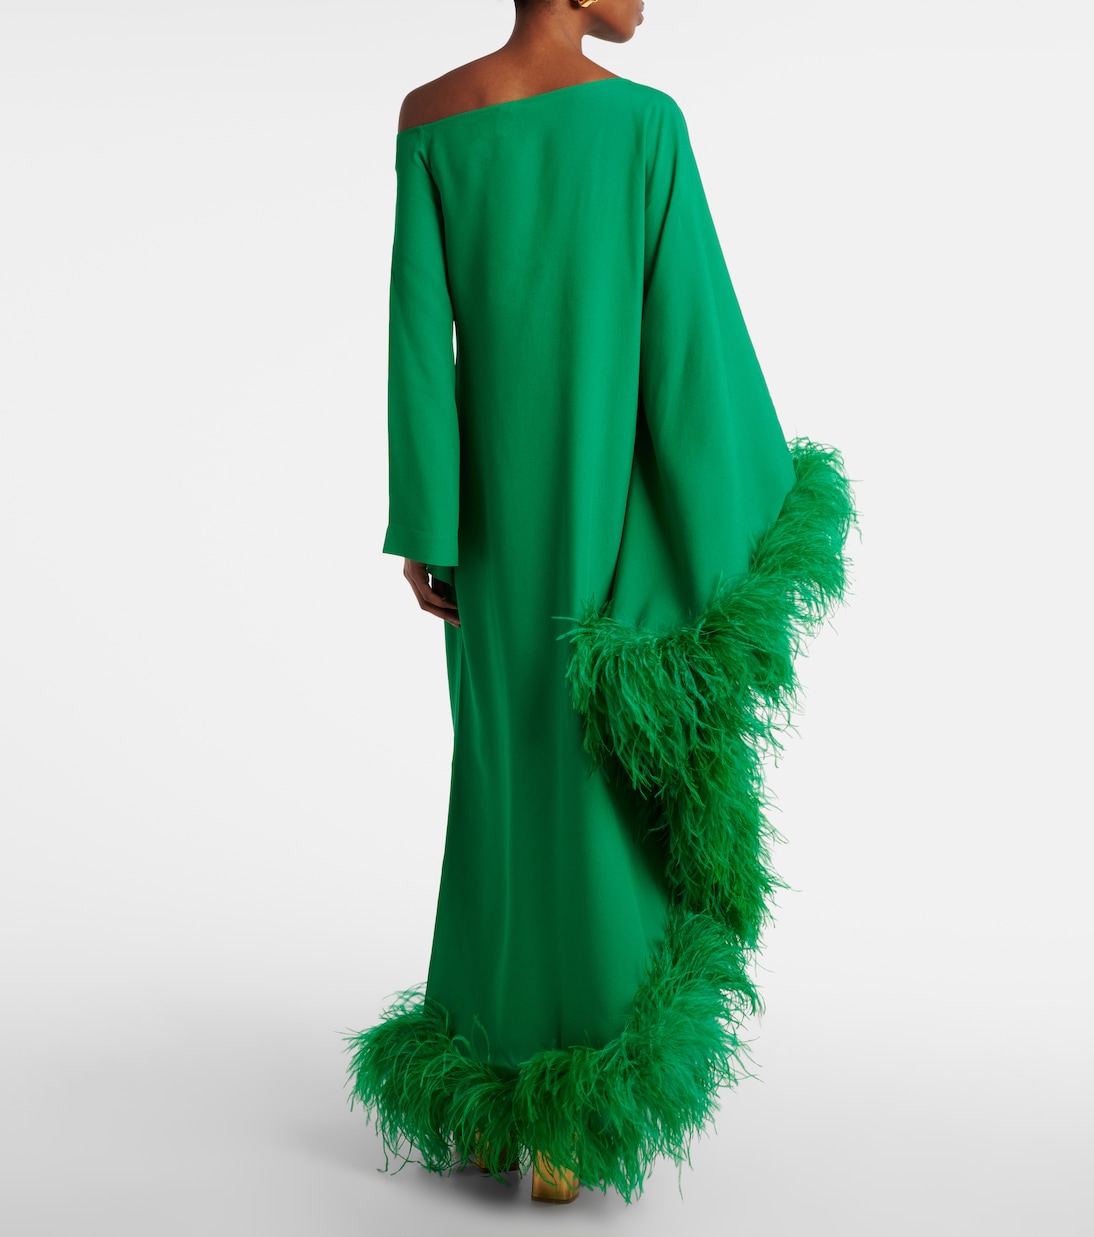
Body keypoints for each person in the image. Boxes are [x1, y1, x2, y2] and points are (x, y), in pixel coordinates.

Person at [343, 0, 858, 1206]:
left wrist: (426, 528)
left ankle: (488, 1087)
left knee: (502, 782)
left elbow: (417, 342)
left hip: (488, 530)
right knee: (588, 783)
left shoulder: (431, 119)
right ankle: (572, 1108)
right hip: (606, 517)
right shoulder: (643, 127)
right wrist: (737, 509)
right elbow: (688, 348)